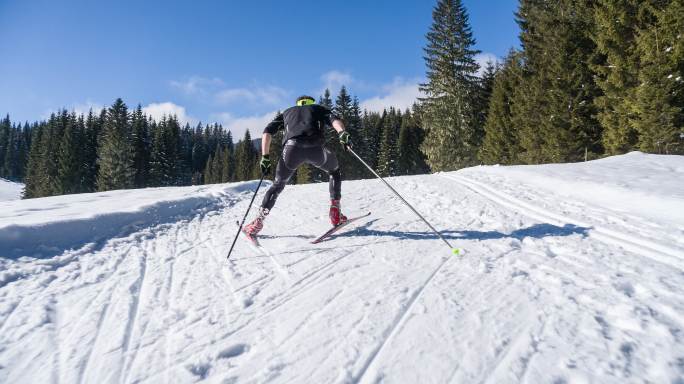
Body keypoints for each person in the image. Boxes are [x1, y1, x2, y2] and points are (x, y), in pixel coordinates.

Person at [243, 95, 353, 237]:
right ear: (311, 102)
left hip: (291, 150)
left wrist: (265, 157)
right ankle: (335, 211)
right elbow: (334, 120)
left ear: (298, 104)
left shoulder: (287, 112)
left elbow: (267, 131)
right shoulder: (318, 108)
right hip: (316, 148)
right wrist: (342, 133)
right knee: (334, 171)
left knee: (278, 185)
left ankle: (258, 221)